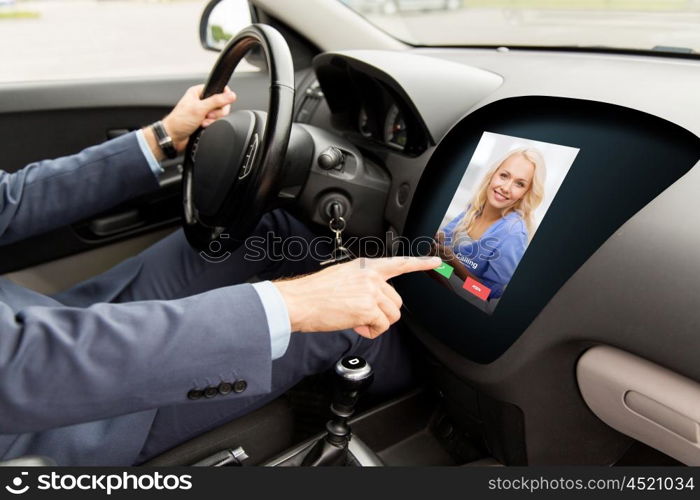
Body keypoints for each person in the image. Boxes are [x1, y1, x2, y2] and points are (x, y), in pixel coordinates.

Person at [0, 84, 440, 466]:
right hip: (50, 416)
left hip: (44, 321)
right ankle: (440, 411)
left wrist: (163, 137)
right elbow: (22, 366)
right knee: (347, 325)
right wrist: (296, 303)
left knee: (271, 232)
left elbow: (8, 201)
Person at [435, 147, 546, 300]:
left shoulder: (513, 234)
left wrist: (452, 262)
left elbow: (485, 295)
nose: (506, 188)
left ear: (526, 193)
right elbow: (442, 264)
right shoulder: (474, 209)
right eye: (504, 176)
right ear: (493, 175)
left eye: (519, 184)